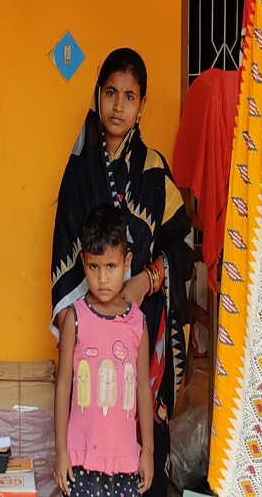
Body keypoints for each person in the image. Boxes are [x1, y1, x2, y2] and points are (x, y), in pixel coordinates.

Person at [50, 48, 193, 496]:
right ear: (97, 94)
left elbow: (183, 245)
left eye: (129, 96)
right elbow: (64, 249)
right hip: (89, 329)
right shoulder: (79, 171)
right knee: (92, 426)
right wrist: (81, 320)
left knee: (144, 440)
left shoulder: (154, 171)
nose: (117, 105)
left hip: (141, 324)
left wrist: (145, 280)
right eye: (110, 92)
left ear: (142, 104)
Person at [53, 205, 154, 496]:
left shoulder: (137, 323)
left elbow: (143, 388)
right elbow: (63, 386)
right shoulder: (74, 319)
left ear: (127, 261)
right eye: (93, 267)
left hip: (125, 461)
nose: (102, 278)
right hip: (80, 460)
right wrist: (61, 452)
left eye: (111, 266)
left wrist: (147, 451)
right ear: (83, 263)